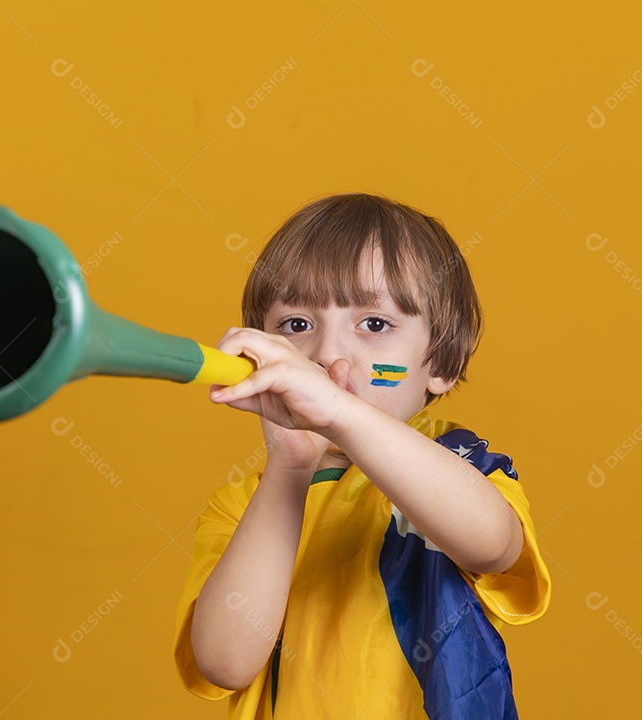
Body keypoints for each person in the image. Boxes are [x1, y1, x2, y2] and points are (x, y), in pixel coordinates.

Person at [172, 193, 551, 719]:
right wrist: (289, 466)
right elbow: (225, 662)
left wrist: (340, 414)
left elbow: (491, 544)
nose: (328, 355)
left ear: (439, 360)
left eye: (374, 324)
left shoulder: (458, 463)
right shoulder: (242, 505)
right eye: (297, 325)